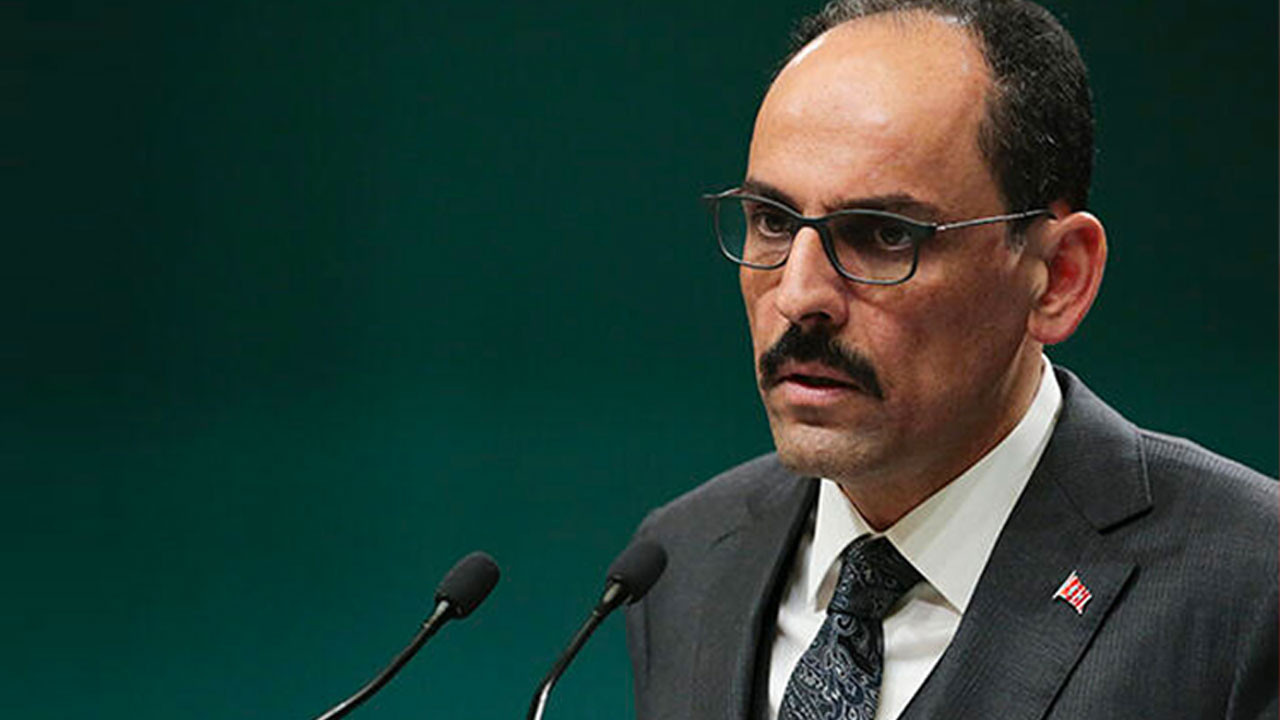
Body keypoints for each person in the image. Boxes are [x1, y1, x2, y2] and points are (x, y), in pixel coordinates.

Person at [623, 1, 1278, 719]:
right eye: (773, 222)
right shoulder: (681, 562)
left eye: (884, 235)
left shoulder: (1251, 586)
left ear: (1058, 277)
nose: (800, 296)